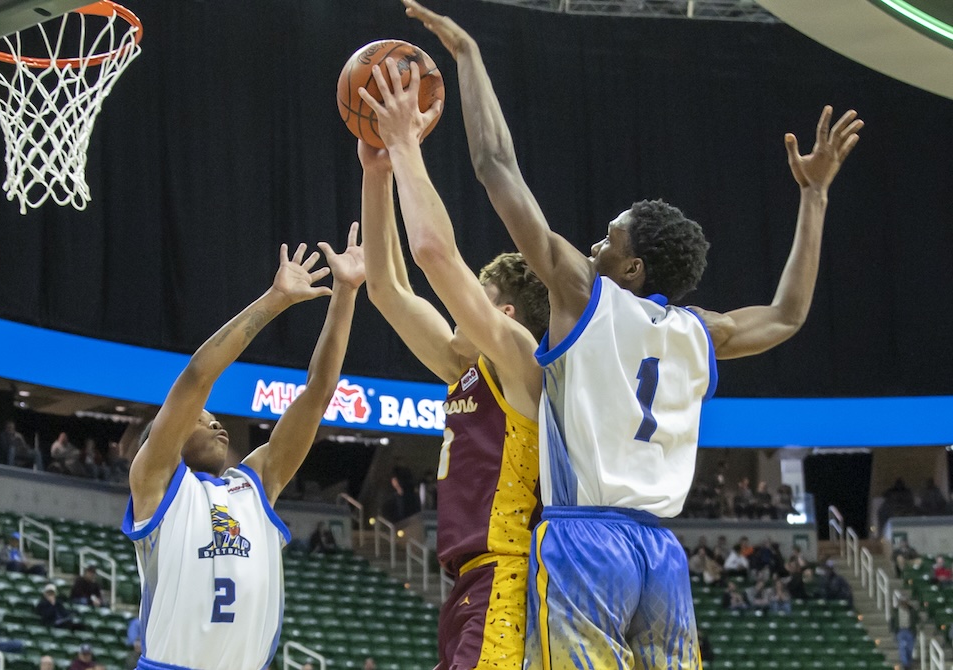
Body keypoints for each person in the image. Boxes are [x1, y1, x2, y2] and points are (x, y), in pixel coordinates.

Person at [402, 2, 861, 665]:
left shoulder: (583, 297)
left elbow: (496, 167)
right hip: (662, 558)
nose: (593, 245)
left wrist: (469, 57)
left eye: (608, 239)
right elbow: (787, 314)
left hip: (586, 542)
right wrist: (813, 199)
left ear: (633, 267)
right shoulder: (701, 332)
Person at [356, 59, 547, 667]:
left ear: (508, 314)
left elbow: (434, 254)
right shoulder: (464, 368)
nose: (457, 305)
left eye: (477, 298)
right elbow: (388, 289)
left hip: (508, 576)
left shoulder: (522, 366)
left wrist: (408, 142)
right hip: (469, 587)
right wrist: (377, 172)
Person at [123, 236, 363, 670]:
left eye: (214, 418)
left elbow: (318, 392)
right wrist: (275, 300)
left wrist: (345, 293)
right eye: (200, 419)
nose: (216, 423)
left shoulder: (254, 484)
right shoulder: (155, 485)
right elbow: (197, 377)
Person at [891, 593, 917, 670]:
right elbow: (892, 621)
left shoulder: (912, 610)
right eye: (902, 601)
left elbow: (917, 619)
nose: (904, 603)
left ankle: (909, 662)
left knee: (909, 648)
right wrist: (893, 630)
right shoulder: (895, 611)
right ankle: (905, 664)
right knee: (902, 647)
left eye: (905, 601)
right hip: (900, 631)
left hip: (909, 631)